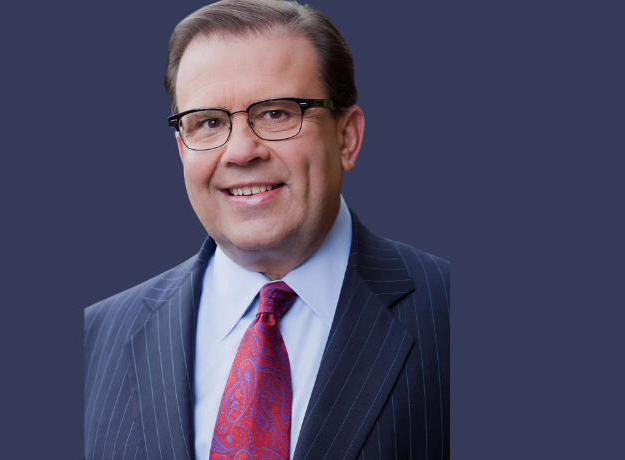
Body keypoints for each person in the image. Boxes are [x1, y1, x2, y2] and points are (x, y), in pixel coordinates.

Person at [83, 1, 449, 459]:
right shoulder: (94, 341)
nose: (240, 152)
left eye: (276, 113)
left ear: (346, 138)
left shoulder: (450, 311)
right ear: (182, 150)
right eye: (209, 122)